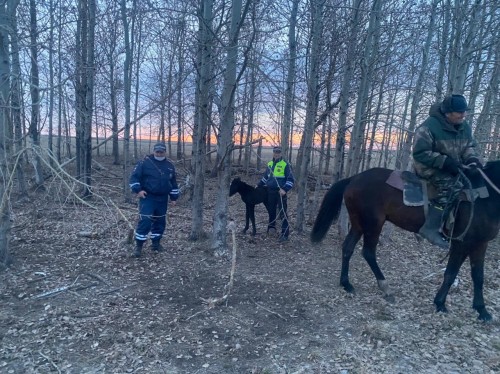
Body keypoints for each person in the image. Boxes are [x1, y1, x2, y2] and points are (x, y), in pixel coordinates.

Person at [412, 94, 483, 248]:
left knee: (474, 183)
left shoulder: (464, 126)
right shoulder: (428, 127)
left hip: (454, 165)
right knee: (452, 187)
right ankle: (430, 228)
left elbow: (469, 146)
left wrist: (472, 159)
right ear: (447, 112)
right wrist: (445, 162)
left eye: (464, 111)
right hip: (429, 167)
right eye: (459, 112)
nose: (463, 115)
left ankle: (459, 225)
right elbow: (420, 153)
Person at [129, 142, 179, 257]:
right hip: (148, 197)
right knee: (145, 220)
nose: (159, 153)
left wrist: (174, 197)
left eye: (161, 151)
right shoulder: (144, 163)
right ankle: (139, 247)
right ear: (154, 151)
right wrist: (138, 190)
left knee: (160, 221)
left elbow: (173, 183)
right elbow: (134, 177)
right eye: (157, 151)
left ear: (165, 152)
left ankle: (156, 243)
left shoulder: (170, 166)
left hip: (162, 198)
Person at [257, 146, 295, 242]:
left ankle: (285, 234)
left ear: (281, 153)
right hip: (270, 192)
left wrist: (285, 189)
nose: (276, 154)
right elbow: (266, 177)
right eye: (275, 152)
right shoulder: (269, 164)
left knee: (283, 213)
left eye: (278, 152)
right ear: (273, 153)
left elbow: (291, 179)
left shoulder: (285, 165)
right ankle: (271, 229)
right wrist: (258, 185)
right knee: (271, 211)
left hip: (280, 192)